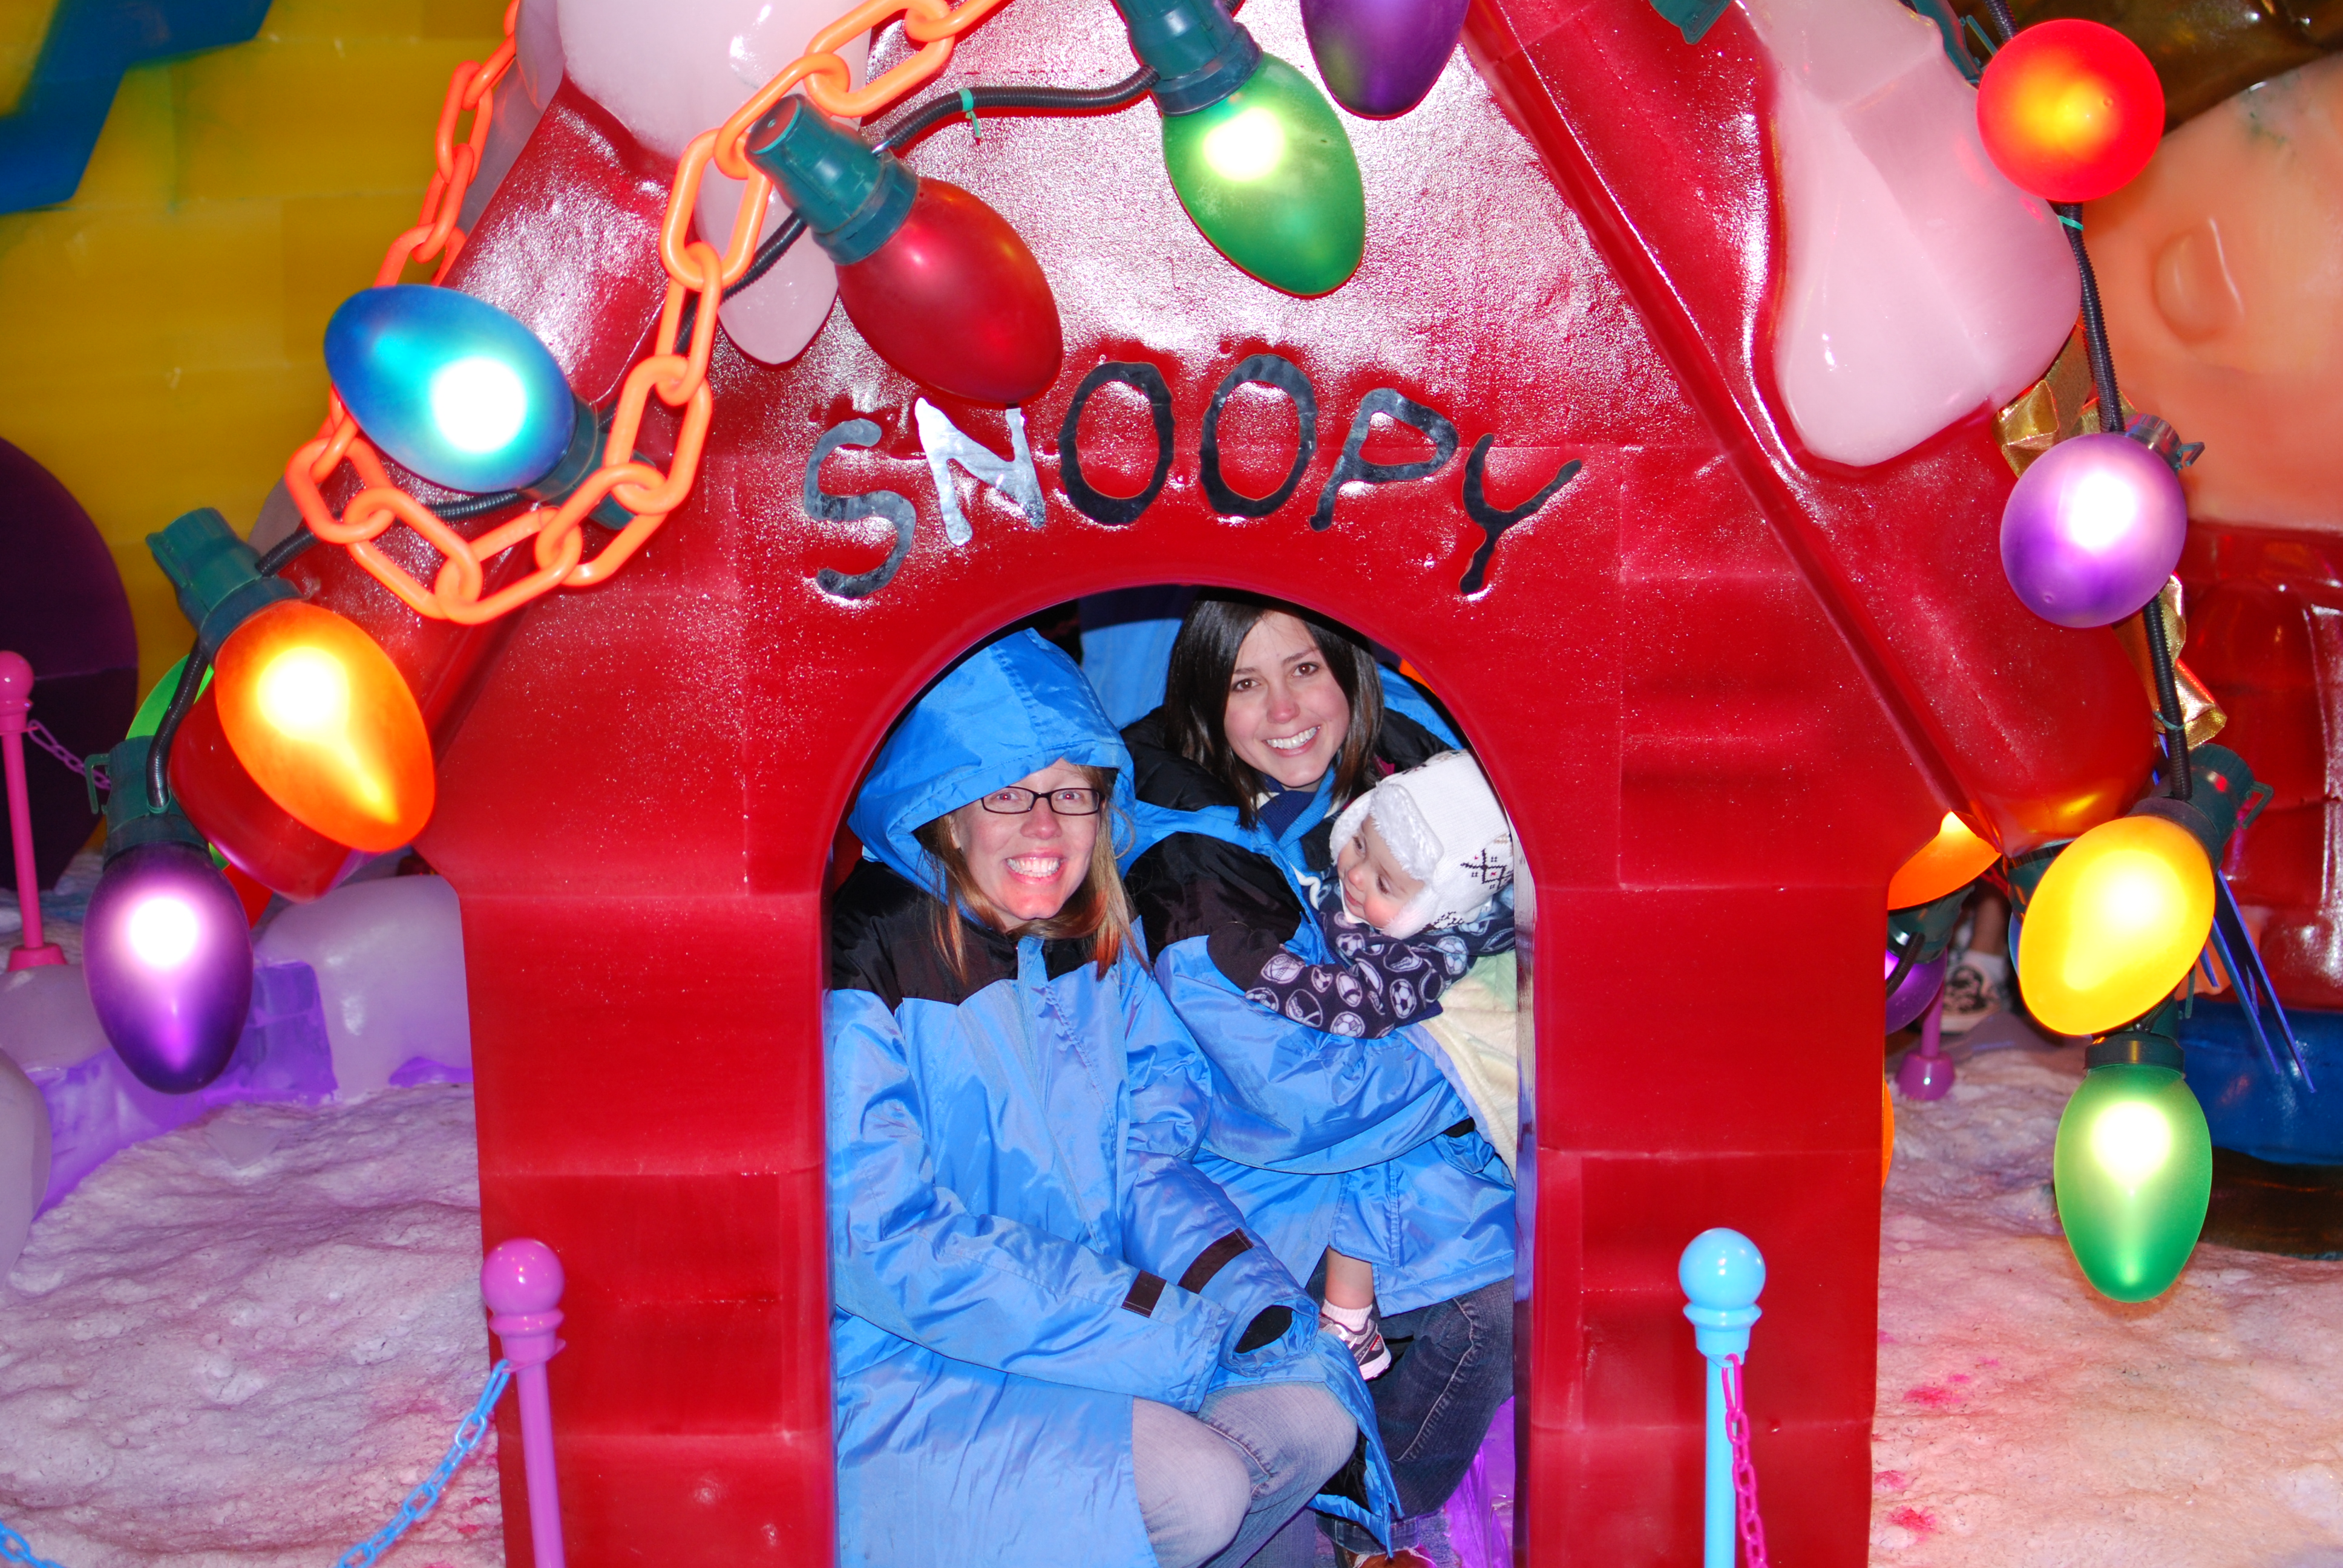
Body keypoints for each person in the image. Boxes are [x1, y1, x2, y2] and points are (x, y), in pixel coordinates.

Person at [826, 629, 1398, 1568]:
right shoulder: (864, 958)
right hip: (903, 1366)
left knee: (1312, 1415)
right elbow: (885, 1246)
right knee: (1197, 1490)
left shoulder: (1088, 941)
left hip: (1082, 1331)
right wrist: (1150, 1323)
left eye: (1073, 793)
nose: (1044, 827)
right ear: (944, 812)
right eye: (1007, 793)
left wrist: (1248, 1303)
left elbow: (1143, 1164)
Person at [1121, 595, 1518, 1568]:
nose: (1285, 710)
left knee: (1573, 1259)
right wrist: (1489, 1056)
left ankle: (1372, 1504)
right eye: (1244, 685)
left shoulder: (1411, 773)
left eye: (1304, 669)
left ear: (1347, 671)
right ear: (1205, 707)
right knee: (1496, 1305)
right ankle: (1368, 1519)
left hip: (1395, 1163)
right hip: (1263, 1190)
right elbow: (1298, 1100)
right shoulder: (1191, 857)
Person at [1236, 749, 1520, 1379]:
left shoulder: (1431, 952)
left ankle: (1351, 1319)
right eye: (1358, 843)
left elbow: (1363, 1005)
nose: (1358, 875)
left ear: (1436, 906)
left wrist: (1266, 974)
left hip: (1439, 1146)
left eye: (1386, 883)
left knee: (1371, 1162)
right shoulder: (1375, 887)